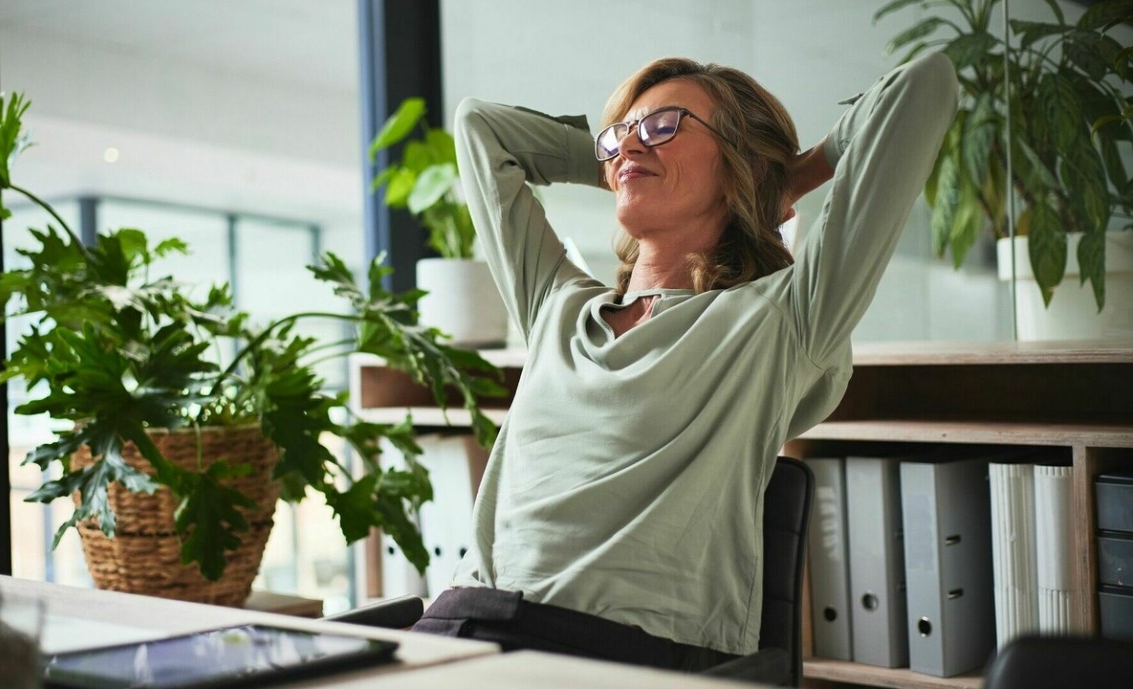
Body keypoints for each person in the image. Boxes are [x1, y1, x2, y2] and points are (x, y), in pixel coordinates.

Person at [409, 52, 958, 672]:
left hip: (605, 654)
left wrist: (787, 176)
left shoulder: (779, 319)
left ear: (740, 164)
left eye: (664, 126)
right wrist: (626, 165)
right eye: (621, 134)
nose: (630, 146)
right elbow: (480, 127)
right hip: (455, 626)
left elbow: (925, 84)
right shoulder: (556, 308)